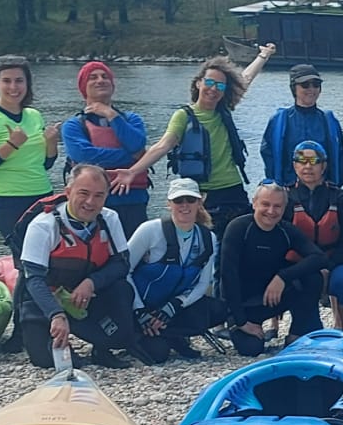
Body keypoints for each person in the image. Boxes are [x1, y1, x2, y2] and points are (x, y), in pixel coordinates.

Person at [116, 47, 274, 237]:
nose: (214, 89)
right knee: (204, 243)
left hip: (232, 189)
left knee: (240, 240)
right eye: (209, 82)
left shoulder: (224, 111)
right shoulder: (183, 116)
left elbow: (245, 79)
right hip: (200, 194)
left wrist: (263, 55)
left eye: (220, 86)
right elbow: (163, 145)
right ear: (199, 83)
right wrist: (133, 171)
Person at [14, 164, 157, 369]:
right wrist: (56, 314)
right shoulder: (43, 225)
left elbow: (121, 264)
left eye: (99, 195)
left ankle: (102, 348)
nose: (91, 202)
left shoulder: (109, 219)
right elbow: (34, 280)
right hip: (46, 301)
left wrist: (91, 282)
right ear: (68, 192)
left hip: (85, 299)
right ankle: (53, 333)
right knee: (47, 360)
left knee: (121, 294)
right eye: (84, 193)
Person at [0, 54, 57, 257]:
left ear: (27, 83)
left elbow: (45, 164)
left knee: (50, 257)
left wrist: (51, 143)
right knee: (27, 260)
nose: (14, 87)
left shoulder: (34, 115)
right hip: (8, 201)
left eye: (19, 81)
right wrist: (11, 145)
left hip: (43, 196)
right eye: (7, 81)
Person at [219, 180, 321, 357]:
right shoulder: (238, 228)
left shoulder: (285, 230)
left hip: (271, 297)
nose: (271, 211)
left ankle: (296, 333)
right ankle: (247, 328)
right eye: (265, 204)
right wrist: (241, 321)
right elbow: (228, 276)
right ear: (254, 203)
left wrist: (283, 277)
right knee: (251, 349)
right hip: (245, 303)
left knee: (313, 276)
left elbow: (318, 257)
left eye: (277, 206)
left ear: (284, 208)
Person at [127, 177, 223, 357]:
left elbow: (202, 284)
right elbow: (124, 271)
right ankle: (143, 333)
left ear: (199, 202)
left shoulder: (208, 238)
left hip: (170, 306)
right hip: (141, 306)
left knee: (219, 310)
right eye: (178, 200)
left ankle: (170, 333)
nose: (185, 205)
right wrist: (140, 311)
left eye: (191, 200)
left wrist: (174, 306)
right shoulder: (149, 230)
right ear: (169, 204)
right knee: (158, 355)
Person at [62, 60, 149, 232]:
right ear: (83, 88)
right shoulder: (73, 126)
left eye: (105, 77)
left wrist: (111, 114)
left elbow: (137, 143)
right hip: (94, 204)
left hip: (133, 200)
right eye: (92, 78)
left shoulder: (132, 120)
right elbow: (85, 157)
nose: (100, 80)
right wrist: (131, 156)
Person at [282, 143, 343, 332]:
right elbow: (281, 241)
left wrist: (327, 265)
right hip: (300, 262)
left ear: (323, 166)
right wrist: (313, 266)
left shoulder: (339, 197)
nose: (308, 166)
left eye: (314, 161)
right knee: (305, 282)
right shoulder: (285, 198)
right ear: (294, 165)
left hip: (333, 258)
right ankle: (304, 329)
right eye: (302, 161)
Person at [260, 64, 343, 188]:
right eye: (305, 85)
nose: (311, 89)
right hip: (287, 190)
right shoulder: (279, 120)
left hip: (323, 190)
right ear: (294, 88)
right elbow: (268, 155)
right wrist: (276, 186)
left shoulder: (329, 120)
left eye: (316, 84)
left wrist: (335, 187)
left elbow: (340, 156)